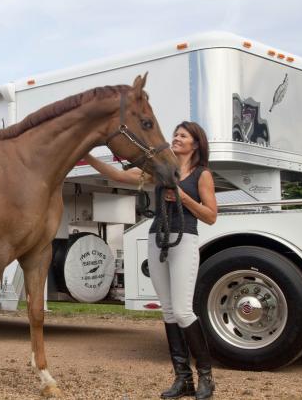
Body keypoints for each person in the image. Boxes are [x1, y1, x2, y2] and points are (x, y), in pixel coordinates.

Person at [84, 121, 217, 400]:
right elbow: (118, 176)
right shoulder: (159, 171)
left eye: (183, 135)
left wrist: (183, 197)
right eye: (175, 134)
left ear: (196, 143)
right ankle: (183, 380)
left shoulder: (202, 174)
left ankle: (206, 376)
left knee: (182, 311)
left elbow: (210, 216)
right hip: (158, 239)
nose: (176, 138)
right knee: (168, 312)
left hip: (185, 238)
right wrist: (89, 156)